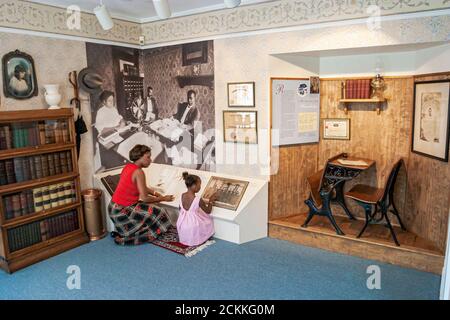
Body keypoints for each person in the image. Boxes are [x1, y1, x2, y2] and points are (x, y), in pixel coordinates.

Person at [108, 144, 175, 245]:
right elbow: (145, 198)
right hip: (122, 211)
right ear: (139, 157)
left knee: (151, 210)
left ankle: (128, 234)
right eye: (148, 157)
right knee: (160, 212)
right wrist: (163, 198)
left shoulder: (128, 167)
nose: (150, 160)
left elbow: (142, 188)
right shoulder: (139, 172)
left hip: (113, 207)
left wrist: (155, 193)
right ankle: (126, 240)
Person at [177, 172, 216, 246]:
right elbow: (208, 211)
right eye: (199, 185)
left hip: (182, 223)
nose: (200, 187)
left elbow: (180, 209)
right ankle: (197, 238)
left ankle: (185, 237)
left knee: (196, 216)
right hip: (193, 225)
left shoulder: (182, 195)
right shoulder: (197, 199)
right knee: (208, 221)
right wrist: (210, 201)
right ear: (194, 186)